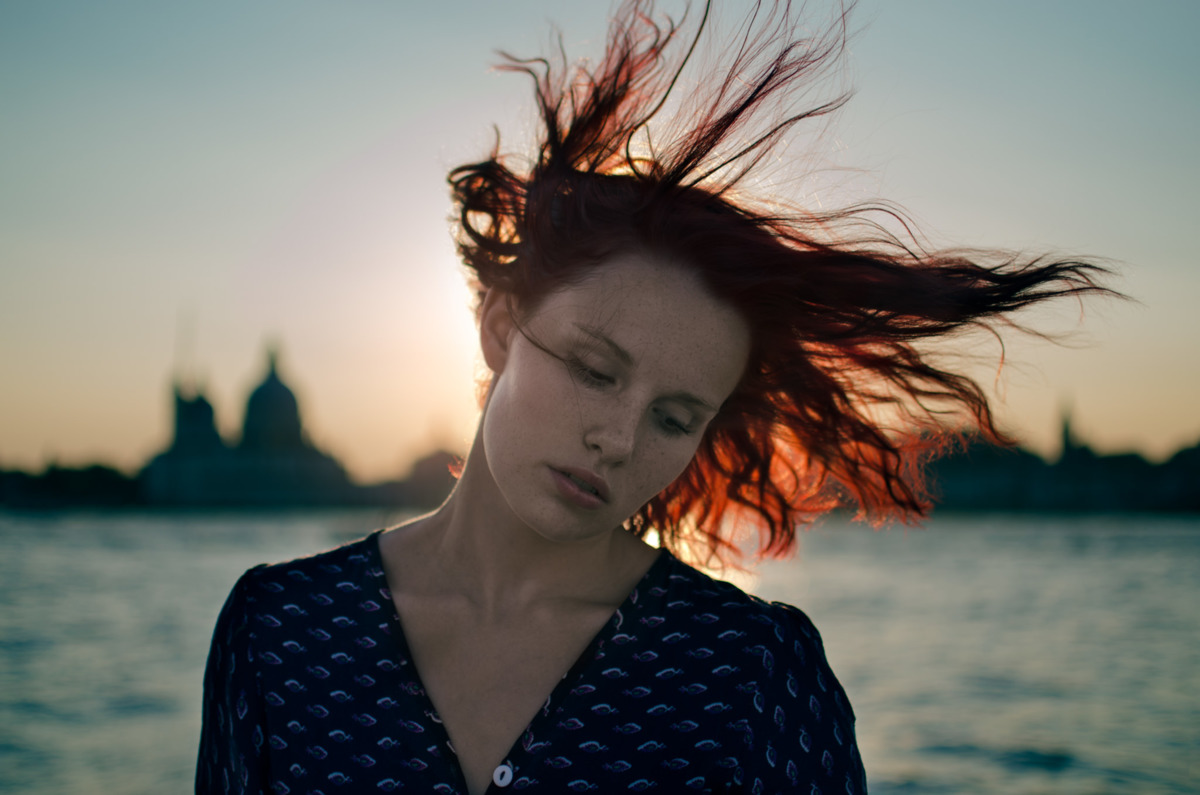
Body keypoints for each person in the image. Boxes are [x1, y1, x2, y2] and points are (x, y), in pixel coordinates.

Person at [196, 2, 1111, 793]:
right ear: (500, 326)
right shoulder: (279, 632)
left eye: (675, 417)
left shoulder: (753, 675)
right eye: (595, 370)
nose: (619, 437)